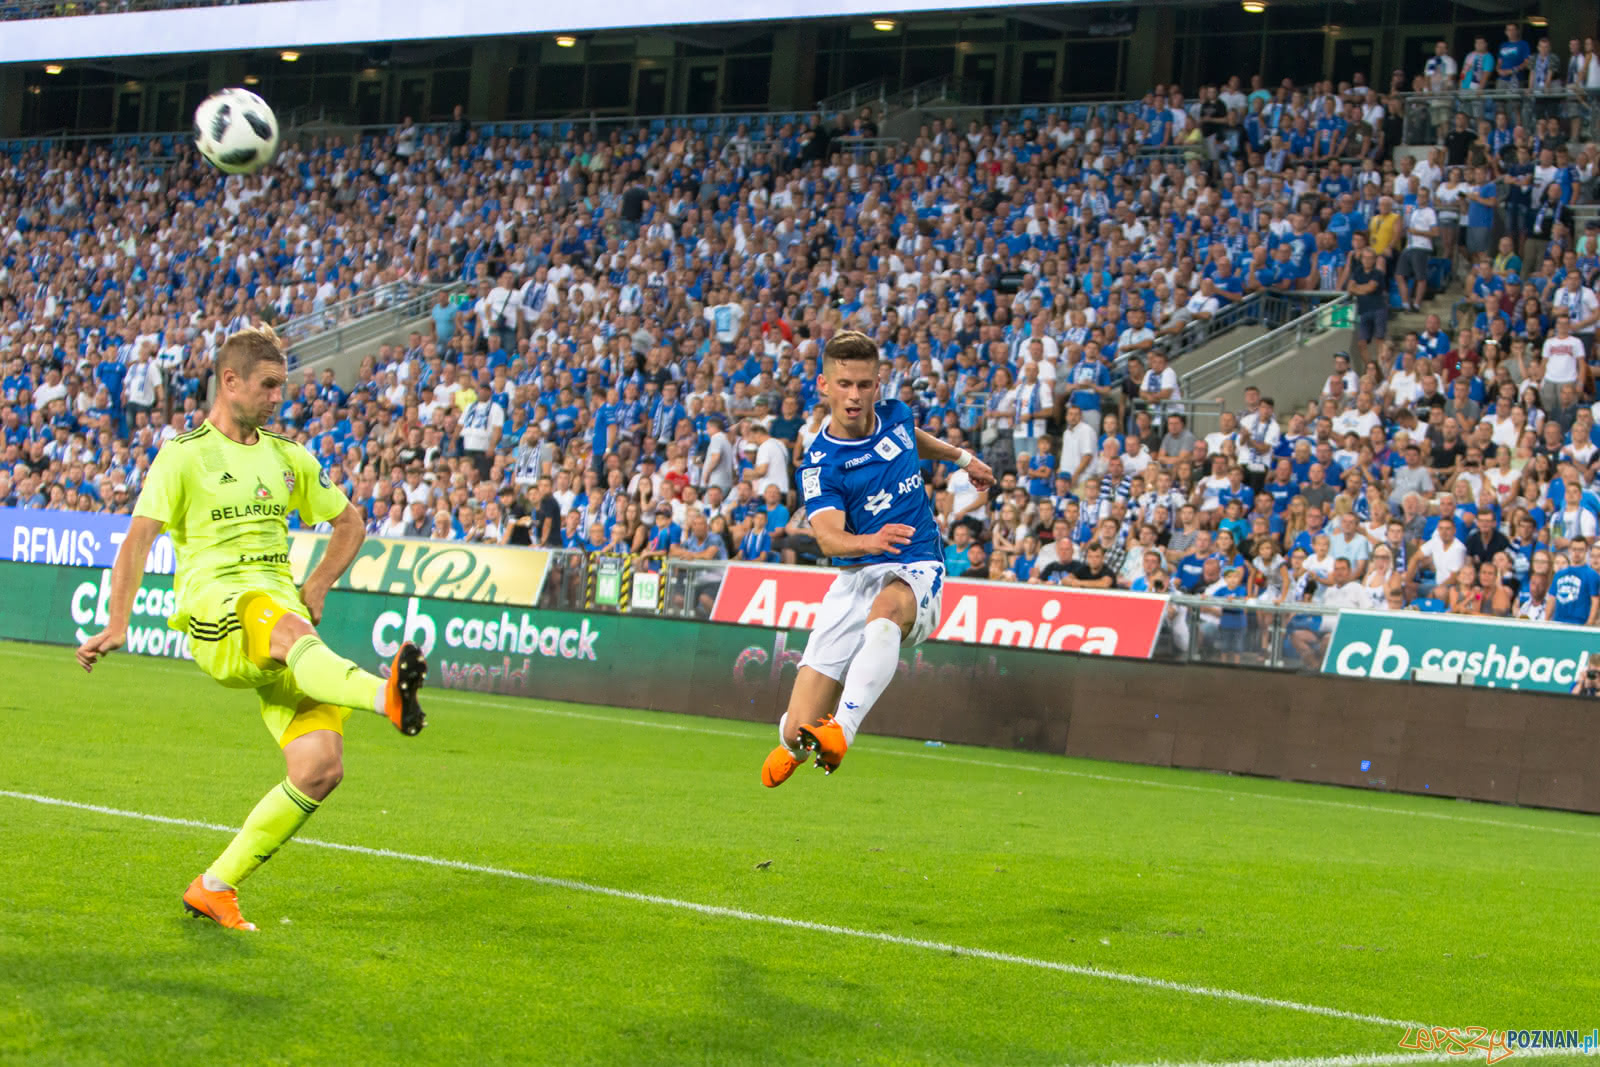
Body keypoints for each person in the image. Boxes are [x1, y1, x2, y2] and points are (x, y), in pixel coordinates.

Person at [74, 325, 429, 932]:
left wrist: (316, 586)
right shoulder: (184, 454)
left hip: (278, 618)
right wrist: (117, 622)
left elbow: (349, 523)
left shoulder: (288, 457)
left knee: (319, 767)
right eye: (267, 386)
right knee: (282, 620)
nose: (277, 397)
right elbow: (138, 542)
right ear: (230, 381)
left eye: (281, 386)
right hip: (219, 611)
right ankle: (383, 695)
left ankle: (215, 887)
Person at [761, 331, 993, 787]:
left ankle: (840, 731)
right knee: (795, 731)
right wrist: (869, 541)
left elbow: (912, 438)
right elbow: (828, 538)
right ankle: (797, 740)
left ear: (878, 383)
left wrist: (964, 458)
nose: (855, 395)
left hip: (916, 564)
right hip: (855, 574)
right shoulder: (821, 464)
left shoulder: (897, 415)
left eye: (865, 384)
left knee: (887, 609)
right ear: (824, 385)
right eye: (845, 384)